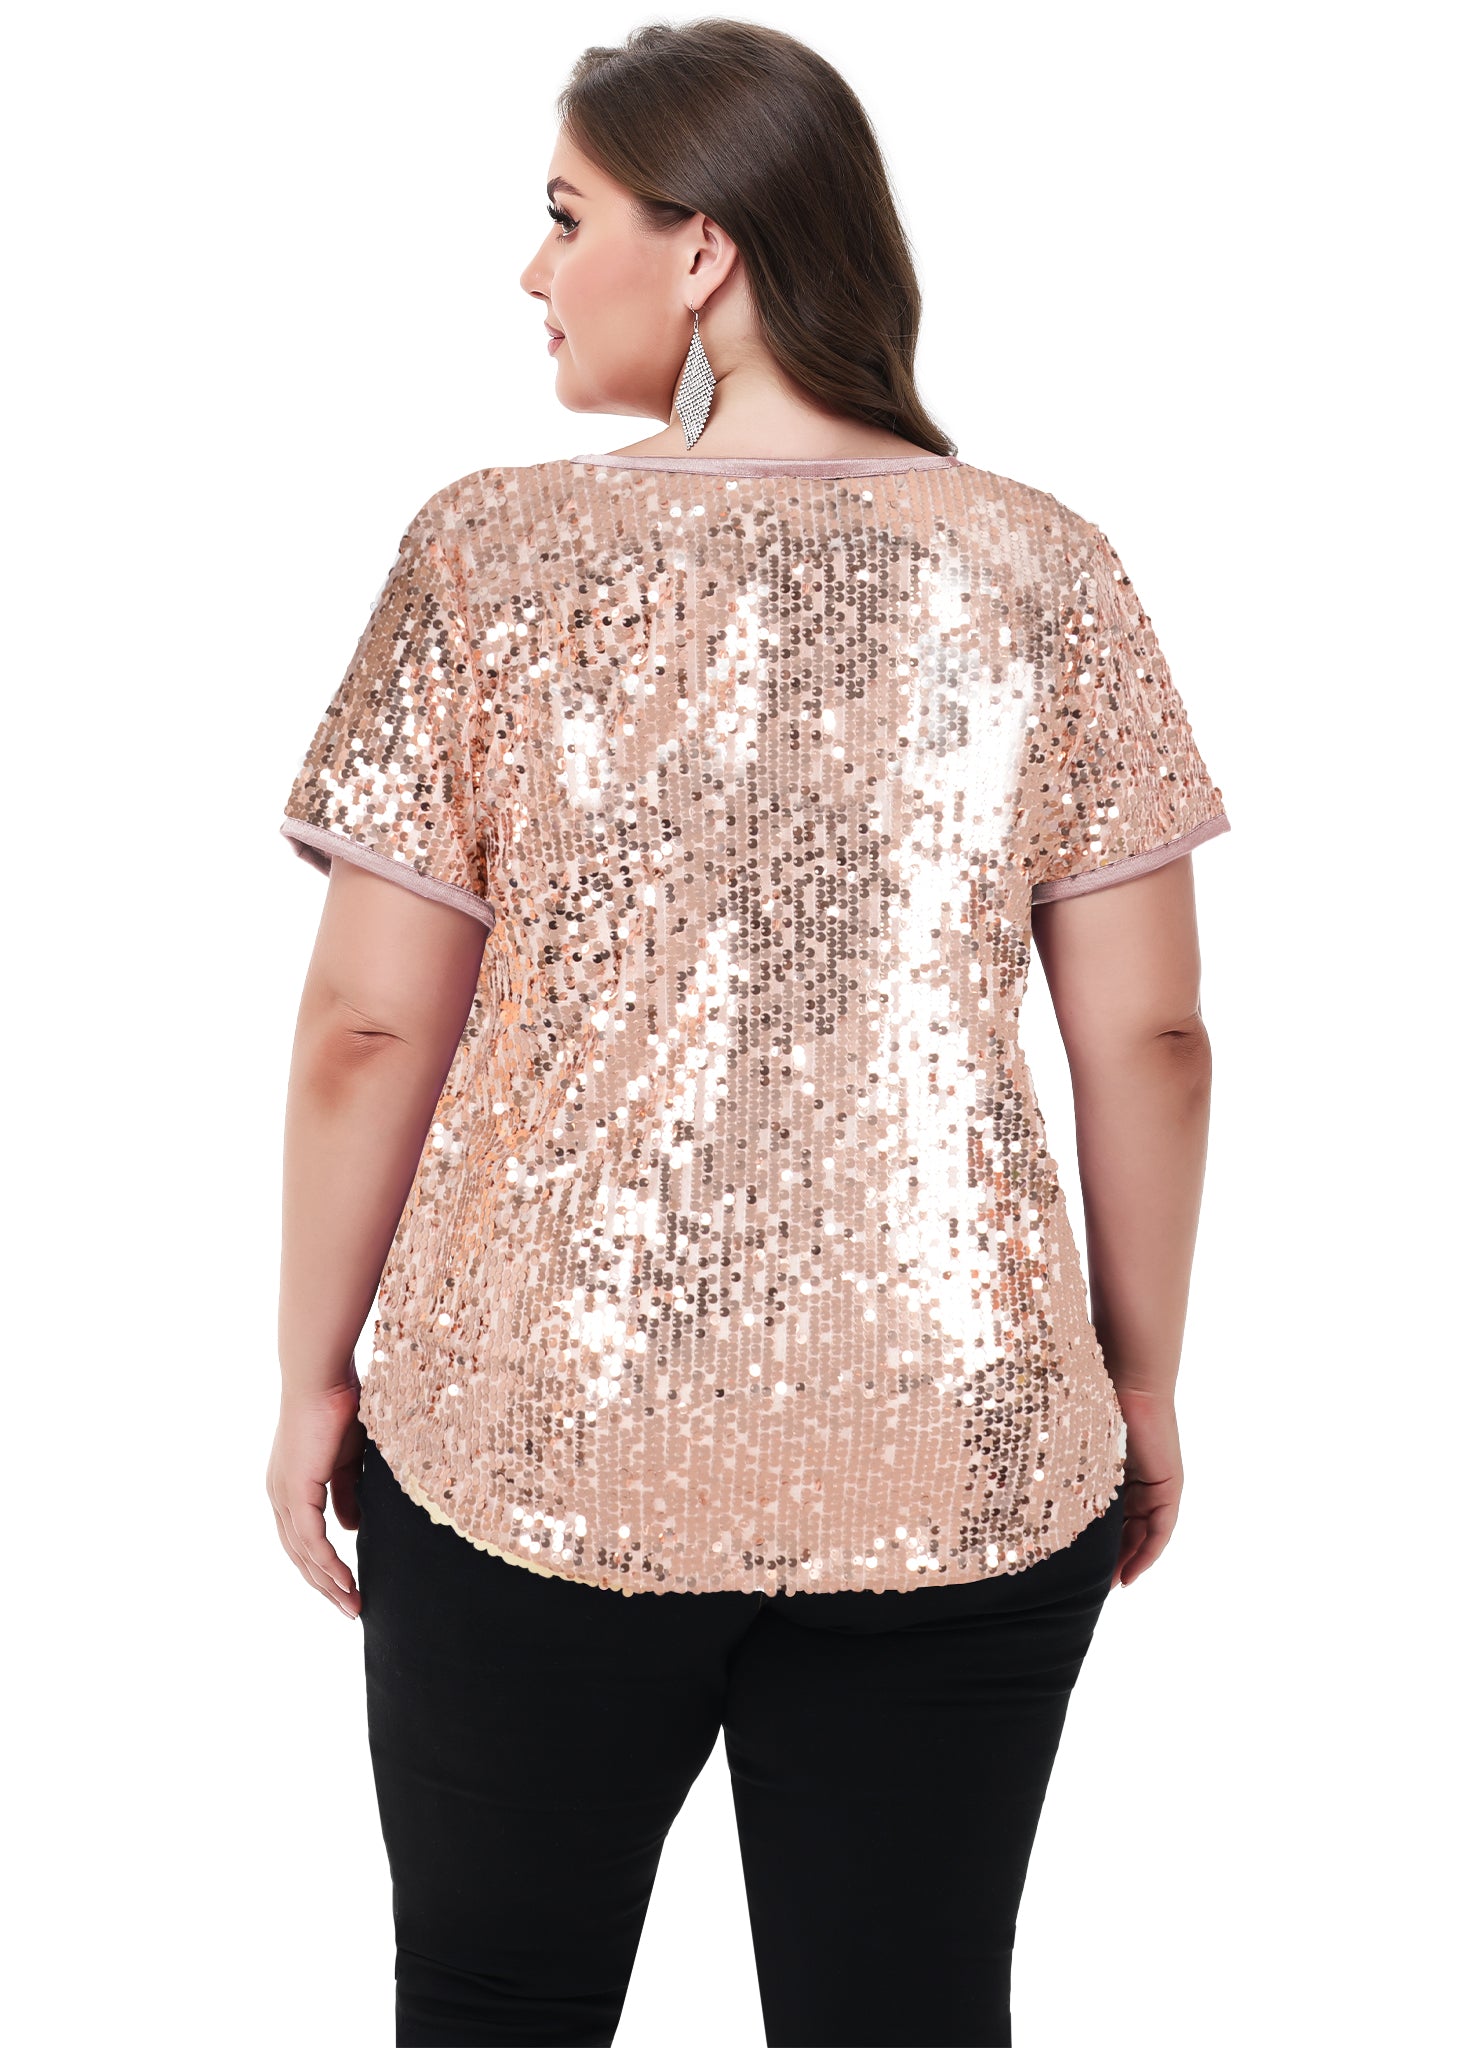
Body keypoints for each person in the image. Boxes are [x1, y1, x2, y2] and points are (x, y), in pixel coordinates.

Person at [267, 20, 1232, 2047]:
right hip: (960, 1451)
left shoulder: (489, 556)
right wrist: (1139, 1379)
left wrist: (308, 1374)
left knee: (494, 2001)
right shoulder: (1041, 565)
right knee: (905, 2012)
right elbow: (1151, 1035)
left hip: (524, 1432)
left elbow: (366, 1025)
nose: (532, 271)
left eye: (566, 218)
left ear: (701, 250)